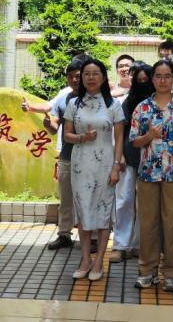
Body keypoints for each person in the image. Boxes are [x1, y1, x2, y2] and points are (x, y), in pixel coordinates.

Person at [129, 59, 173, 292]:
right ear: (152, 78)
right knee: (148, 223)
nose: (163, 80)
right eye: (158, 76)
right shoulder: (142, 108)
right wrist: (148, 136)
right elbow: (134, 141)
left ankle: (171, 273)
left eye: (168, 76)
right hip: (148, 173)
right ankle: (147, 271)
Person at [64, 59, 125, 281]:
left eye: (95, 73)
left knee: (103, 210)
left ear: (103, 77)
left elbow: (119, 139)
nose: (90, 77)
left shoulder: (113, 105)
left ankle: (99, 260)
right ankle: (85, 259)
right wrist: (83, 137)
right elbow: (66, 135)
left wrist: (116, 166)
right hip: (80, 164)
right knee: (83, 210)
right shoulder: (74, 103)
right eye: (86, 74)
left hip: (105, 164)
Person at [23, 59, 83, 250]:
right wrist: (49, 124)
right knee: (65, 199)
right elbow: (55, 127)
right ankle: (64, 234)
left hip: (90, 158)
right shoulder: (64, 98)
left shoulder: (95, 98)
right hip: (67, 156)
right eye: (70, 77)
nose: (74, 80)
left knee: (88, 198)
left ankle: (92, 238)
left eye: (78, 76)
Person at [111, 62, 153, 263]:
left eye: (146, 80)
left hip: (152, 160)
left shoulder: (159, 103)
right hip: (127, 158)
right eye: (139, 80)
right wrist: (118, 156)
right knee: (124, 201)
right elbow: (119, 132)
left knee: (145, 204)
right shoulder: (126, 102)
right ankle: (121, 245)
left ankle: (139, 244)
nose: (142, 83)